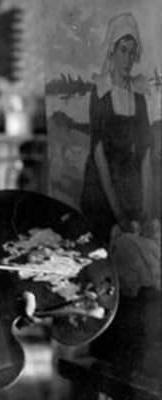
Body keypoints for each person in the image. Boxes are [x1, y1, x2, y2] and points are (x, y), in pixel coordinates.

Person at [80, 12, 152, 245]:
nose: (128, 59)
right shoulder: (100, 92)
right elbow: (99, 156)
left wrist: (146, 210)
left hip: (129, 187)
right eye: (123, 50)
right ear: (112, 51)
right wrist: (118, 214)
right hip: (101, 191)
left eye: (132, 52)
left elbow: (145, 155)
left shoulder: (138, 96)